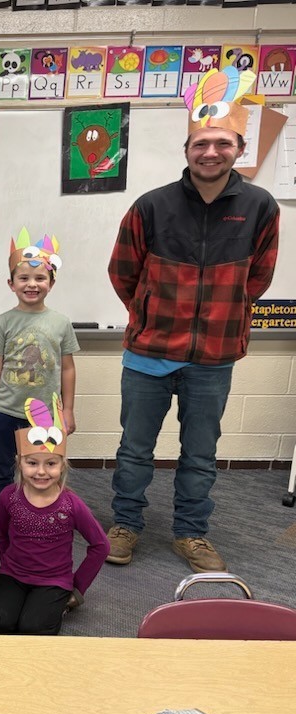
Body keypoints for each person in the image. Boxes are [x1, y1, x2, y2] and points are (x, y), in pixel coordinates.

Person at [105, 67, 279, 573]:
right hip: (149, 354)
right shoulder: (152, 206)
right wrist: (152, 315)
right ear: (187, 148)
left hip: (214, 358)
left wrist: (225, 311)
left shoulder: (259, 207)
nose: (211, 152)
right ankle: (125, 524)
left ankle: (191, 533)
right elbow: (123, 271)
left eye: (222, 143)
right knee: (135, 448)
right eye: (201, 142)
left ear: (239, 147)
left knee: (200, 453)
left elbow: (260, 274)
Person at [0, 229, 79, 544]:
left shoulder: (60, 323)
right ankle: (2, 516)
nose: (31, 284)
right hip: (5, 410)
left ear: (51, 282)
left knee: (43, 467)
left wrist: (69, 410)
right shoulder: (3, 323)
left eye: (39, 278)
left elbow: (67, 368)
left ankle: (40, 517)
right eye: (23, 278)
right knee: (4, 469)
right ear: (11, 284)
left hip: (47, 414)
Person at [0, 396, 109, 636]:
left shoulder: (71, 504)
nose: (41, 472)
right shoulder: (8, 497)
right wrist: (6, 564)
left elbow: (100, 545)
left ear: (62, 465)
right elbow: (2, 535)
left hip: (54, 579)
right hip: (13, 574)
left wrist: (77, 588)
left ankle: (55, 607)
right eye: (32, 463)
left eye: (50, 463)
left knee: (34, 629)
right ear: (20, 463)